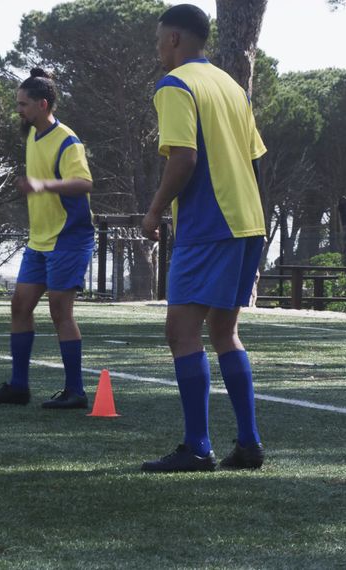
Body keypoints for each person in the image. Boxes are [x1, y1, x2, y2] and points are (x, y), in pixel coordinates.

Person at [140, 4, 267, 472]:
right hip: (248, 221)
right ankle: (249, 443)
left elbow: (184, 158)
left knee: (181, 332)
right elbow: (255, 161)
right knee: (224, 331)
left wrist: (154, 210)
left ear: (174, 39)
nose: (157, 48)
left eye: (159, 39)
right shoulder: (232, 86)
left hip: (209, 223)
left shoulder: (175, 84)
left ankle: (197, 446)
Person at [0, 68, 95, 410]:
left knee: (60, 311)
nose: (19, 110)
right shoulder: (32, 135)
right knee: (20, 306)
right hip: (39, 240)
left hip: (68, 238)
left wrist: (44, 185)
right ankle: (19, 386)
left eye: (24, 104)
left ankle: (76, 391)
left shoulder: (68, 141)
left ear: (43, 105)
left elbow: (84, 183)